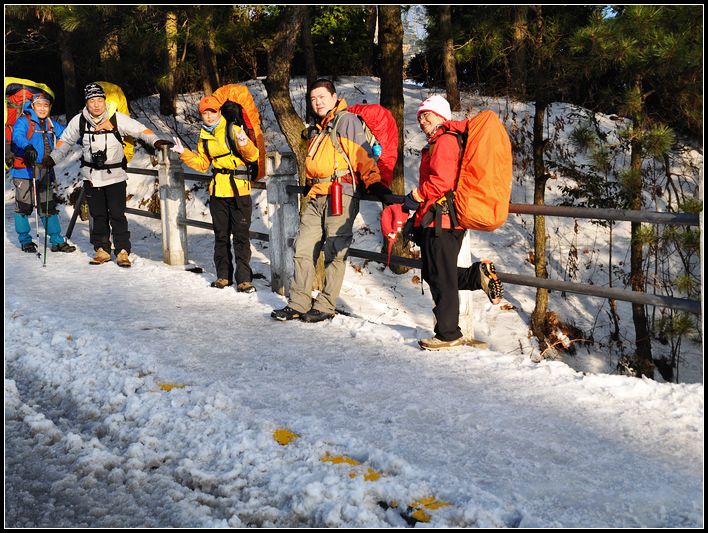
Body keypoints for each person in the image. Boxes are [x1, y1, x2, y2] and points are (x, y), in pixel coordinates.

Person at [271, 78, 394, 323]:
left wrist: (376, 184)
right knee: (303, 250)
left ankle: (326, 305)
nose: (317, 102)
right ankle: (299, 302)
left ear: (334, 97)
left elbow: (362, 156)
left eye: (322, 97)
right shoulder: (317, 128)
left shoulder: (346, 121)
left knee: (335, 251)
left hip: (341, 193)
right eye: (313, 99)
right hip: (316, 195)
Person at [404, 95, 504, 351]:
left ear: (442, 116)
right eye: (420, 117)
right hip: (438, 218)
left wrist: (415, 196)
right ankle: (476, 274)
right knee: (435, 273)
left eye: (428, 115)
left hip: (444, 220)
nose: (423, 120)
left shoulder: (445, 141)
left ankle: (448, 334)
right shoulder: (439, 141)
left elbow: (442, 181)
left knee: (441, 277)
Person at [48, 82, 172, 267]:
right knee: (98, 215)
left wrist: (155, 141)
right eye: (92, 101)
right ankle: (102, 249)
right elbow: (64, 141)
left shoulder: (117, 118)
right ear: (87, 103)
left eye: (100, 100)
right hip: (91, 176)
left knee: (117, 214)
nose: (97, 104)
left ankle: (122, 251)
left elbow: (140, 130)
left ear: (104, 100)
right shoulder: (79, 120)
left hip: (115, 175)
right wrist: (52, 159)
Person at [170, 95, 259, 293]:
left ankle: (244, 279)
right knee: (221, 235)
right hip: (218, 190)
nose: (209, 116)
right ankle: (223, 276)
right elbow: (202, 164)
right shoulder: (204, 136)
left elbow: (253, 156)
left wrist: (244, 143)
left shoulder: (233, 130)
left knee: (241, 236)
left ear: (219, 111)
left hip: (239, 190)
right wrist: (184, 152)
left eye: (212, 111)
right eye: (205, 113)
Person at [9, 91, 76, 254]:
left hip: (44, 170)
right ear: (32, 106)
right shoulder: (24, 121)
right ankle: (25, 240)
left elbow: (68, 135)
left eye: (46, 105)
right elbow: (17, 136)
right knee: (24, 206)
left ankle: (56, 241)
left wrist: (86, 136)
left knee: (48, 206)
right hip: (24, 170)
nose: (42, 108)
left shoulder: (51, 124)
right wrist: (27, 146)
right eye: (39, 105)